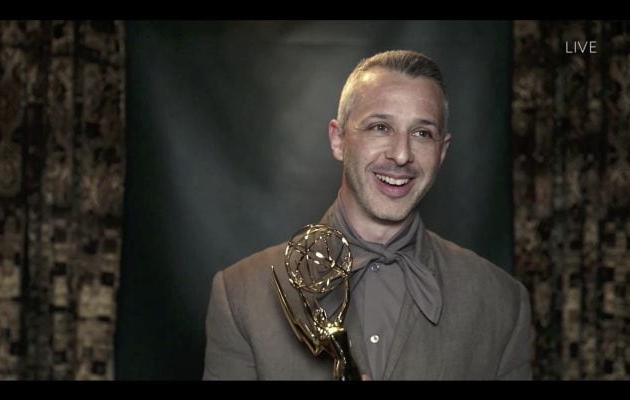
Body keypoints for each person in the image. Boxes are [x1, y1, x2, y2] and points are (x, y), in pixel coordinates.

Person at [203, 50, 534, 380]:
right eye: (380, 127)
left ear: (442, 151)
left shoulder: (503, 303)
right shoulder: (241, 295)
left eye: (422, 133)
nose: (401, 155)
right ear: (338, 139)